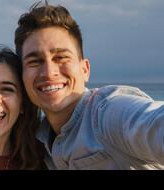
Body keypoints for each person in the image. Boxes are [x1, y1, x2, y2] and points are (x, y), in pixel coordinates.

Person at [14, 2, 164, 169]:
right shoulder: (40, 143)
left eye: (61, 57)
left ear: (85, 69)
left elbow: (152, 123)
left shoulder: (107, 114)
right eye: (35, 61)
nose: (49, 72)